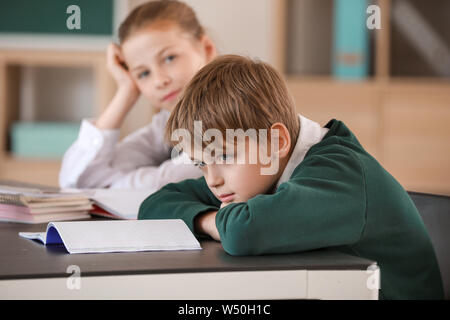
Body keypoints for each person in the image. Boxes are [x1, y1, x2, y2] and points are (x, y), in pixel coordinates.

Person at [138, 55, 444, 300]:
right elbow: (155, 204)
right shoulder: (251, 176)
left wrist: (221, 223)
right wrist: (210, 220)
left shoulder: (339, 171)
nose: (212, 180)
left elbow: (244, 231)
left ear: (276, 142)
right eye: (201, 163)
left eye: (225, 156)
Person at [59, 0, 216, 189]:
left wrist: (108, 185)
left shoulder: (228, 119)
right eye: (143, 73)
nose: (159, 81)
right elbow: (76, 179)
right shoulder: (167, 123)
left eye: (169, 58)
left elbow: (157, 185)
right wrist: (126, 91)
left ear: (206, 49)